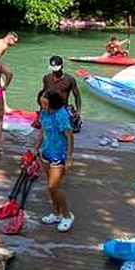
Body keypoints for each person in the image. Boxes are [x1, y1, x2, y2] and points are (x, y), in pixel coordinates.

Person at [33, 90, 75, 232]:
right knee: (50, 186)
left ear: (53, 103)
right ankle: (56, 213)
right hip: (46, 152)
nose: (43, 105)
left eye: (45, 103)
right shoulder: (44, 113)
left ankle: (67, 216)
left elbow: (69, 137)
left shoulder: (61, 115)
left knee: (54, 186)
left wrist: (69, 158)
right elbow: (42, 131)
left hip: (59, 154)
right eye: (41, 102)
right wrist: (35, 148)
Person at [41, 55, 82, 133]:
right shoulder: (46, 78)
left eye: (57, 69)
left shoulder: (70, 80)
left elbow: (77, 96)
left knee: (72, 129)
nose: (55, 72)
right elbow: (43, 94)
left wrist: (78, 111)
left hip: (63, 108)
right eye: (53, 69)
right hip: (49, 108)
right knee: (45, 127)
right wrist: (42, 109)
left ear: (62, 66)